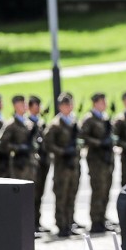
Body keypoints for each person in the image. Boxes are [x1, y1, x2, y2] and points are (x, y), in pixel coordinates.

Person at [44, 93, 81, 238]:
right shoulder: (55, 124)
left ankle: (70, 222)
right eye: (66, 105)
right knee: (61, 195)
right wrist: (63, 151)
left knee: (72, 193)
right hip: (62, 165)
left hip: (73, 165)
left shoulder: (74, 122)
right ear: (60, 107)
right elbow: (48, 144)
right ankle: (61, 225)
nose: (69, 107)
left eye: (70, 104)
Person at [80, 93, 116, 234]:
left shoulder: (105, 117)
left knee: (106, 190)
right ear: (95, 103)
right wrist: (99, 143)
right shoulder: (89, 119)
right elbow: (83, 137)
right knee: (98, 190)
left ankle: (102, 218)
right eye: (102, 102)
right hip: (96, 160)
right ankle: (96, 221)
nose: (105, 104)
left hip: (107, 160)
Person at [0, 95, 37, 181]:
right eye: (21, 104)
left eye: (24, 104)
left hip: (30, 163)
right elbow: (2, 145)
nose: (24, 106)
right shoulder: (11, 125)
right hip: (17, 164)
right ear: (15, 106)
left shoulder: (29, 123)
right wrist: (18, 148)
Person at [28, 95, 50, 233]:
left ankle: (37, 221)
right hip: (32, 163)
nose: (38, 108)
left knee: (40, 193)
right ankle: (32, 223)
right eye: (35, 105)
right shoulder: (28, 123)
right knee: (33, 195)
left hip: (43, 161)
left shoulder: (41, 122)